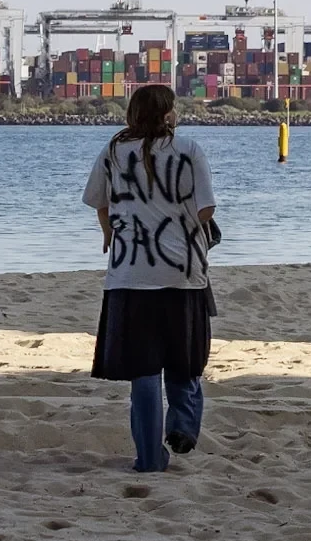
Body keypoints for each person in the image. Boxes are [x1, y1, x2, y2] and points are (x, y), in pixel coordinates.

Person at [83, 83, 217, 473]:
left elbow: (100, 204)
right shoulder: (188, 150)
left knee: (143, 373)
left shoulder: (111, 152)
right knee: (185, 361)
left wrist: (112, 232)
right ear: (166, 114)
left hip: (129, 273)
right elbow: (206, 209)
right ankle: (183, 425)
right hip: (182, 271)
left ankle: (148, 459)